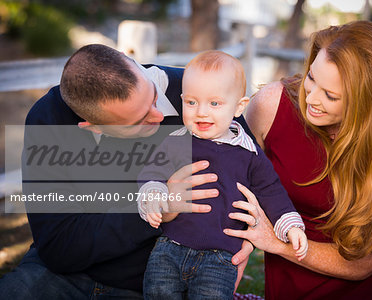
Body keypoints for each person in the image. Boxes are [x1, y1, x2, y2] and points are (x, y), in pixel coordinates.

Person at [0, 44, 253, 299]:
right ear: (93, 128)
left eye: (153, 97)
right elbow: (59, 246)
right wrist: (156, 208)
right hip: (64, 277)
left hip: (159, 279)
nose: (158, 116)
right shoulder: (49, 119)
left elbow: (255, 179)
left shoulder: (201, 96)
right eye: (139, 120)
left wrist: (248, 238)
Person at [224, 21, 372, 299]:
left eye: (331, 96)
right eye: (311, 78)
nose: (311, 98)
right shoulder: (272, 104)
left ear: (368, 102)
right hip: (294, 281)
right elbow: (228, 173)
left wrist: (276, 242)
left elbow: (366, 262)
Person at [137, 50, 308, 299]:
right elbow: (152, 171)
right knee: (157, 292)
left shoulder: (248, 152)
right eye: (191, 102)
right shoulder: (177, 142)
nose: (201, 112)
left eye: (214, 103)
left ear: (239, 106)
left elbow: (271, 190)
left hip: (220, 256)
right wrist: (153, 194)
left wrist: (290, 225)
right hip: (170, 247)